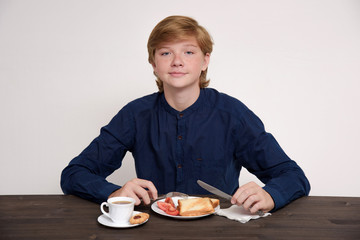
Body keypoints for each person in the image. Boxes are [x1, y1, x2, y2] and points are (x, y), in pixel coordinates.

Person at [61, 15, 310, 213]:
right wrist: (113, 194)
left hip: (220, 229)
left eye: (189, 52)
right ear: (154, 64)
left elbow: (293, 176)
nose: (177, 61)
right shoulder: (135, 114)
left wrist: (271, 195)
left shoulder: (232, 113)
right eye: (166, 52)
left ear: (205, 61)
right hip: (152, 230)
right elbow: (73, 175)